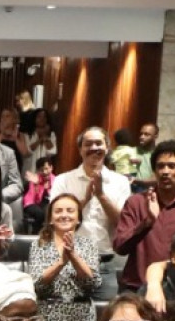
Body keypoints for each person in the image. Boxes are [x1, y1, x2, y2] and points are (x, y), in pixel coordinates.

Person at [112, 140, 175, 293]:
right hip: (136, 288)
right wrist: (147, 223)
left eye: (172, 166)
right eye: (160, 166)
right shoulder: (136, 202)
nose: (165, 171)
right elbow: (120, 247)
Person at [48, 128, 130, 302]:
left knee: (105, 316)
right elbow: (56, 220)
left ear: (107, 147)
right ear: (80, 150)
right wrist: (85, 199)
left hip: (104, 264)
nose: (94, 148)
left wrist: (101, 196)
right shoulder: (63, 180)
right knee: (67, 315)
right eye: (88, 144)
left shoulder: (121, 182)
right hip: (69, 262)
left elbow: (122, 223)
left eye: (98, 143)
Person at [25, 192, 104, 303]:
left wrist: (73, 256)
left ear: (78, 218)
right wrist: (61, 262)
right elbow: (36, 284)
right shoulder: (39, 244)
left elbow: (93, 283)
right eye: (58, 211)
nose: (64, 215)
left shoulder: (89, 245)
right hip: (47, 309)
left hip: (82, 310)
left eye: (70, 211)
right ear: (50, 219)